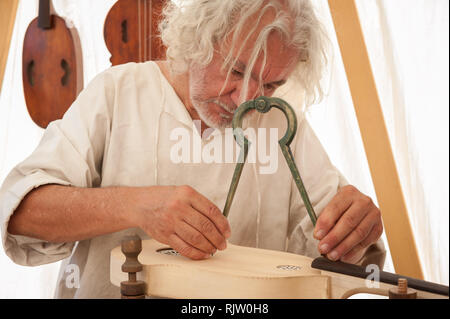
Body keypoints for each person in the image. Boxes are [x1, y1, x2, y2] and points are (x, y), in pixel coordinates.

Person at [0, 0, 385, 298]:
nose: (248, 99)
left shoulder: (282, 125)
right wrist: (135, 205)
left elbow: (342, 256)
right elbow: (21, 213)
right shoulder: (118, 94)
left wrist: (356, 230)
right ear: (198, 39)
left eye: (270, 85)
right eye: (236, 71)